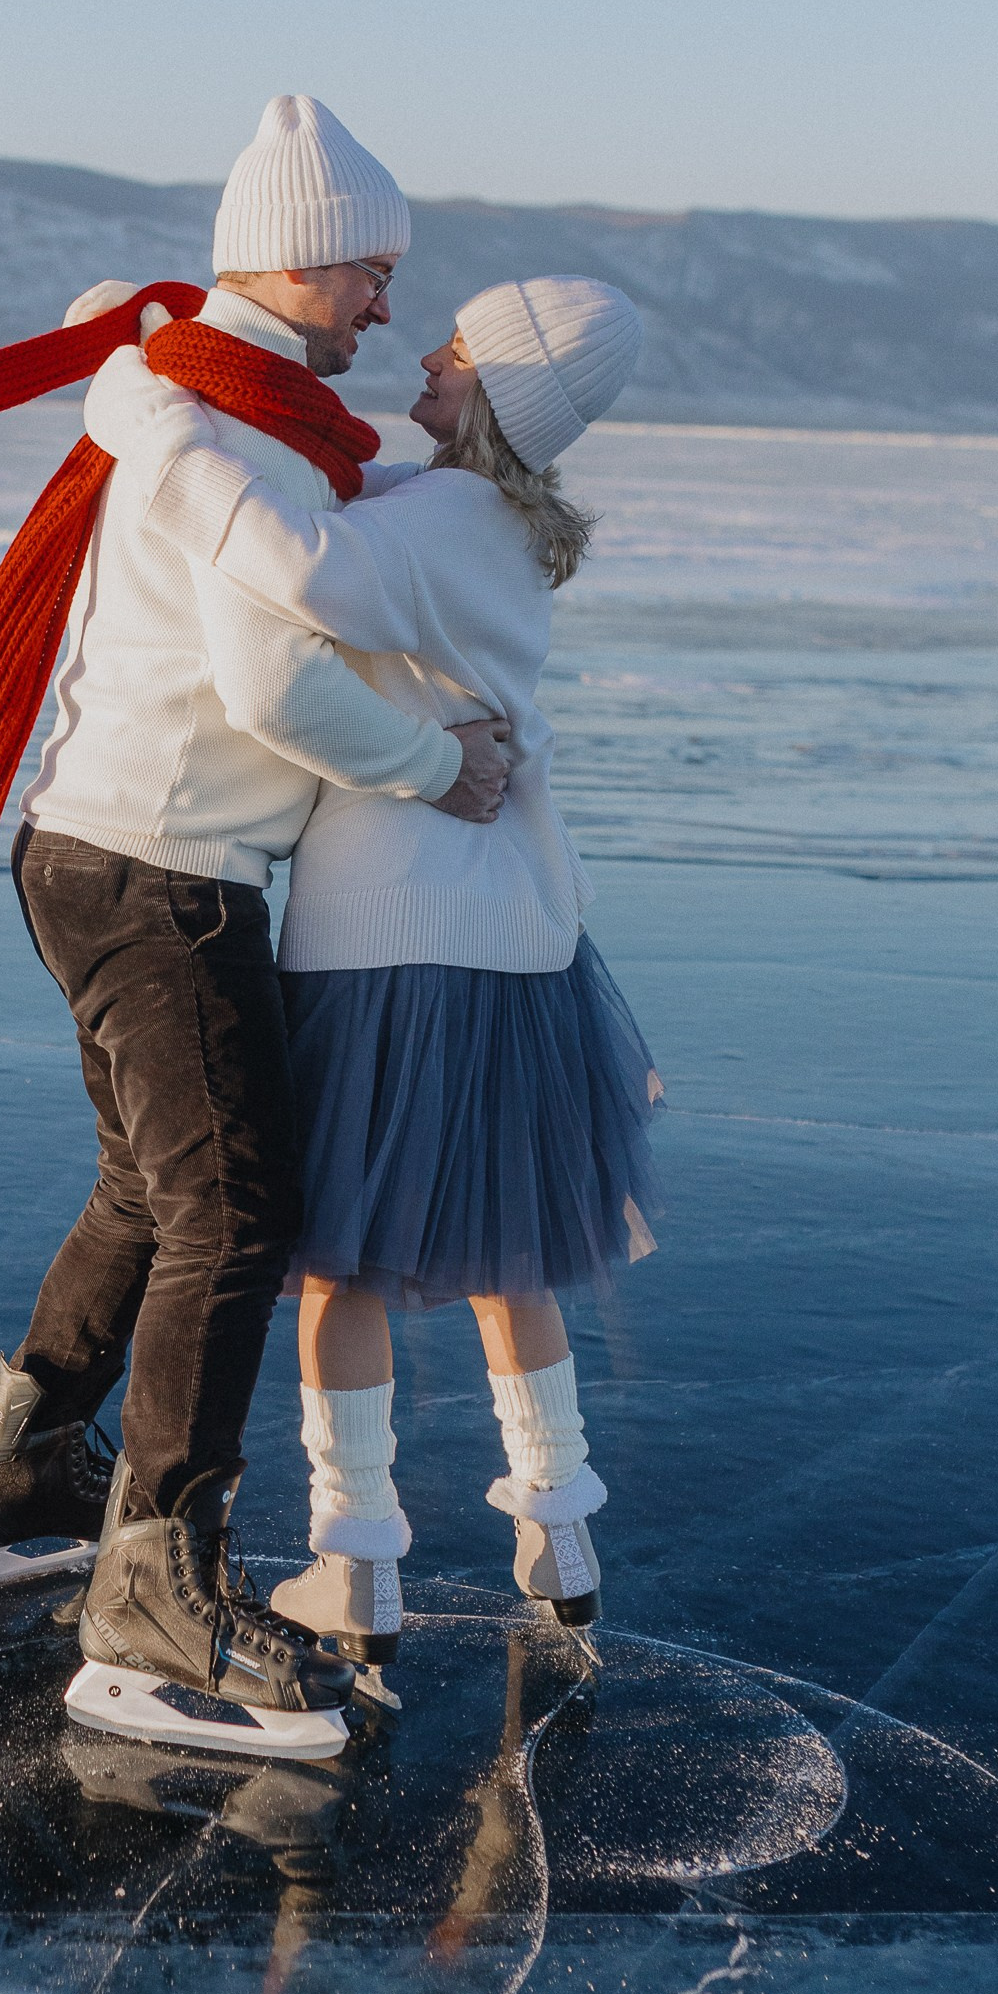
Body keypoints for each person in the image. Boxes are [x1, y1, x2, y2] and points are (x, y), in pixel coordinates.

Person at [0, 98, 512, 1758]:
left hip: (98, 855)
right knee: (233, 1219)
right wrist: (434, 768)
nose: (386, 308)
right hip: (156, 870)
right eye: (374, 272)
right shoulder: (226, 434)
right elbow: (274, 673)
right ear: (296, 256)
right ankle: (151, 1597)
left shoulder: (217, 400)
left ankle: (29, 1485)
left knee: (154, 1190)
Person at [82, 272, 659, 1664]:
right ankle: (556, 1522)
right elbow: (355, 495)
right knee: (501, 1260)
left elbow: (301, 566)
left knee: (336, 1267)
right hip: (511, 943)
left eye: (454, 363)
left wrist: (151, 420)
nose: (420, 373)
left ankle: (356, 1559)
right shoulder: (493, 520)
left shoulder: (445, 517)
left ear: (506, 398)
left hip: (390, 929)